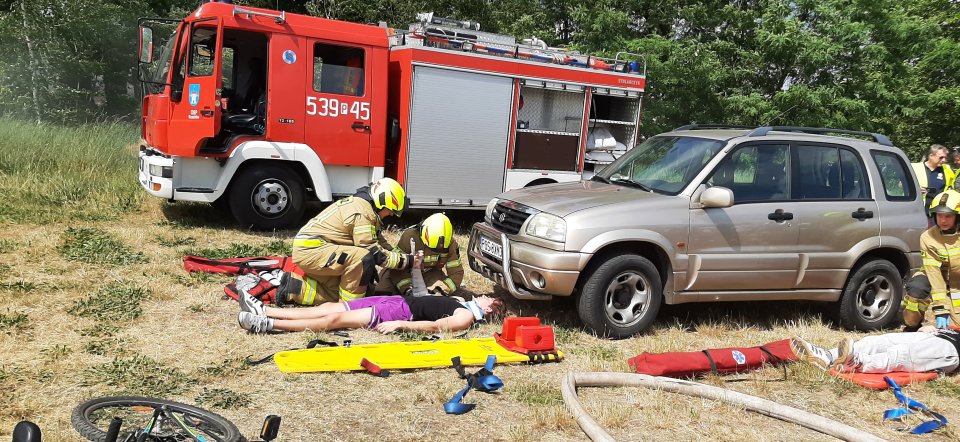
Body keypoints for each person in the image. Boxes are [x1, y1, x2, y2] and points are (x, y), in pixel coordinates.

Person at [238, 253, 502, 334]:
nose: (484, 295)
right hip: (396, 301)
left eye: (489, 298)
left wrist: (400, 325)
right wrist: (418, 269)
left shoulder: (465, 316)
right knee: (331, 308)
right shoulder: (459, 301)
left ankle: (269, 325)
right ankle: (266, 310)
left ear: (488, 310)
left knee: (334, 321)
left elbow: (435, 325)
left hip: (399, 311)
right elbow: (424, 296)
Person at [287, 177, 412, 305]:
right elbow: (374, 253)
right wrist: (408, 261)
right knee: (363, 259)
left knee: (352, 289)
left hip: (316, 250)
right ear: (381, 202)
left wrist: (399, 254)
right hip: (313, 250)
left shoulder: (364, 208)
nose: (391, 215)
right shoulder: (362, 212)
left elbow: (379, 241)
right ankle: (350, 309)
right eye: (391, 210)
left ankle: (292, 287)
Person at [901, 190, 960, 331]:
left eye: (948, 216)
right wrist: (941, 309)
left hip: (957, 283)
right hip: (934, 276)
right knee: (917, 288)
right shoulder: (928, 237)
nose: (943, 220)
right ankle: (911, 327)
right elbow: (934, 274)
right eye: (939, 215)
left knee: (955, 329)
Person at [791, 328, 959, 374]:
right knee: (881, 341)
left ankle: (857, 363)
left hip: (951, 350)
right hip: (940, 334)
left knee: (903, 354)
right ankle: (827, 356)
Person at [375, 213, 463, 296]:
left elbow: (456, 273)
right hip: (401, 271)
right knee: (382, 293)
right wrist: (408, 289)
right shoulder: (410, 237)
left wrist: (441, 290)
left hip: (430, 273)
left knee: (435, 298)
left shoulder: (451, 244)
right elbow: (398, 267)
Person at [912, 144, 954, 225]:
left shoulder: (947, 169)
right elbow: (902, 186)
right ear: (931, 156)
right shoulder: (915, 167)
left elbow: (952, 187)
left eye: (945, 157)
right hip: (919, 211)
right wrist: (915, 190)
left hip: (939, 212)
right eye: (941, 157)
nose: (944, 160)